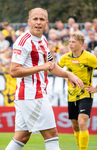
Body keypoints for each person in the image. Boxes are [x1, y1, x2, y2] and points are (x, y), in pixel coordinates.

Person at [5, 8, 83, 150]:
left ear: (47, 23)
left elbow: (51, 66)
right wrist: (41, 67)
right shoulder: (23, 42)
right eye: (35, 19)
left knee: (22, 136)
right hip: (32, 95)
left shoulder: (43, 40)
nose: (38, 22)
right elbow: (14, 71)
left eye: (42, 19)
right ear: (29, 22)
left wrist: (68, 74)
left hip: (29, 95)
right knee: (52, 136)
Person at [58, 32, 97, 150]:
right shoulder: (65, 57)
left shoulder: (89, 57)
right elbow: (57, 69)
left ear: (81, 44)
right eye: (69, 41)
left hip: (85, 94)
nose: (70, 44)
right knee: (75, 127)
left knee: (81, 123)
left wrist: (96, 88)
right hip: (71, 95)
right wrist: (66, 77)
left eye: (73, 42)